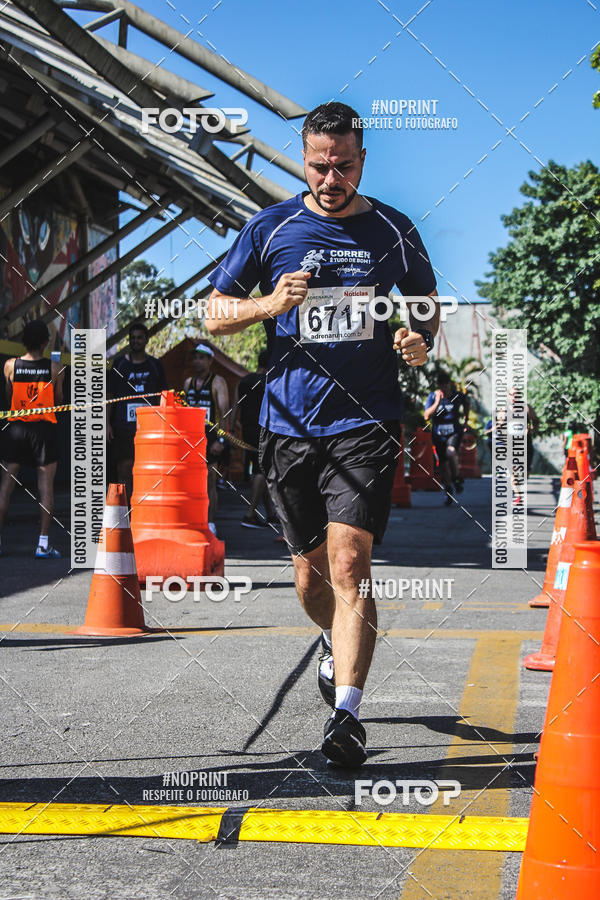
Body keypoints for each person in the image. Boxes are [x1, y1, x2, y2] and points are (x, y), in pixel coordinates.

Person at [205, 101, 439, 767]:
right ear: (303, 159)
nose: (330, 177)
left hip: (365, 418)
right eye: (318, 165)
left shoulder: (394, 230)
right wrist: (269, 305)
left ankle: (348, 717)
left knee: (349, 566)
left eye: (342, 166)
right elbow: (214, 313)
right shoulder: (269, 227)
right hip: (288, 424)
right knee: (311, 581)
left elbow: (425, 307)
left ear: (362, 162)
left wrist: (417, 338)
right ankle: (335, 640)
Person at [0, 319, 65, 557]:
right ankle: (42, 544)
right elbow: (58, 401)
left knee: (5, 487)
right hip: (43, 431)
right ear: (46, 343)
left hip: (16, 428)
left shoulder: (9, 365)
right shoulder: (55, 368)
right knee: (45, 487)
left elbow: (8, 396)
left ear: (23, 342)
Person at [107, 323, 167, 502]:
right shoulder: (120, 364)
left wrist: (163, 425)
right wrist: (107, 423)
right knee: (124, 469)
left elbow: (163, 397)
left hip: (149, 430)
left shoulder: (155, 365)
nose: (136, 341)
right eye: (132, 338)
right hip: (123, 427)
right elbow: (109, 395)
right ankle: (125, 511)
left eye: (140, 337)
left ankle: (145, 509)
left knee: (148, 470)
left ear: (146, 340)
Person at [182, 342, 229, 535]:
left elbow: (225, 412)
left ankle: (210, 523)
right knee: (192, 483)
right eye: (195, 357)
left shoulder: (218, 382)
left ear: (210, 360)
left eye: (202, 358)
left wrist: (222, 441)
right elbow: (183, 412)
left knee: (210, 481)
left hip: (211, 439)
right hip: (192, 439)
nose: (197, 361)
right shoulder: (188, 383)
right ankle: (195, 520)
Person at [235, 349, 278, 529]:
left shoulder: (244, 381)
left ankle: (270, 513)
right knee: (263, 471)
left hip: (246, 430)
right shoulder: (270, 381)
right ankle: (250, 513)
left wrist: (232, 425)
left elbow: (235, 404)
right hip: (264, 430)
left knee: (261, 470)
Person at [424, 372, 469, 506]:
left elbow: (466, 404)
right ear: (438, 385)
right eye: (441, 385)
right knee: (443, 465)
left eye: (446, 384)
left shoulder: (457, 396)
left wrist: (465, 420)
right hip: (439, 434)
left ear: (449, 384)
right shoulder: (433, 397)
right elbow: (426, 416)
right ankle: (448, 491)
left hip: (454, 432)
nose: (444, 387)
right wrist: (437, 402)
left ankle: (456, 478)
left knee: (451, 452)